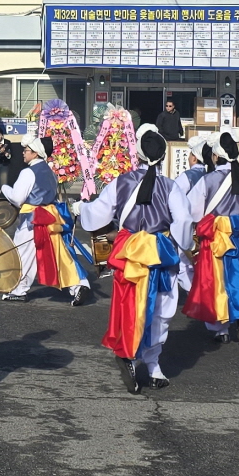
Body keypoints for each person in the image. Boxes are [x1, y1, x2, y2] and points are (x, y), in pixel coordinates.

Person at [80, 125, 192, 393]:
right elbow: (185, 221)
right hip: (159, 254)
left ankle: (127, 355)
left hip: (130, 254)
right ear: (162, 156)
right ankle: (153, 366)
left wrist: (80, 208)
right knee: (162, 311)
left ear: (137, 155)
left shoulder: (120, 182)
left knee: (129, 308)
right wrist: (181, 246)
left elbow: (97, 214)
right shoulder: (171, 187)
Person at [185, 132, 239, 345]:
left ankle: (221, 329)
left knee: (216, 282)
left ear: (216, 157)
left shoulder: (207, 180)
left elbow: (193, 211)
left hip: (214, 240)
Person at [0, 133, 91, 305]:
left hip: (33, 219)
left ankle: (19, 290)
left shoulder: (28, 172)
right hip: (51, 216)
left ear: (35, 153)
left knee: (23, 254)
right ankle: (79, 285)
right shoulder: (50, 171)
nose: (23, 153)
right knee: (58, 253)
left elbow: (18, 198)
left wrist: (5, 188)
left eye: (26, 150)